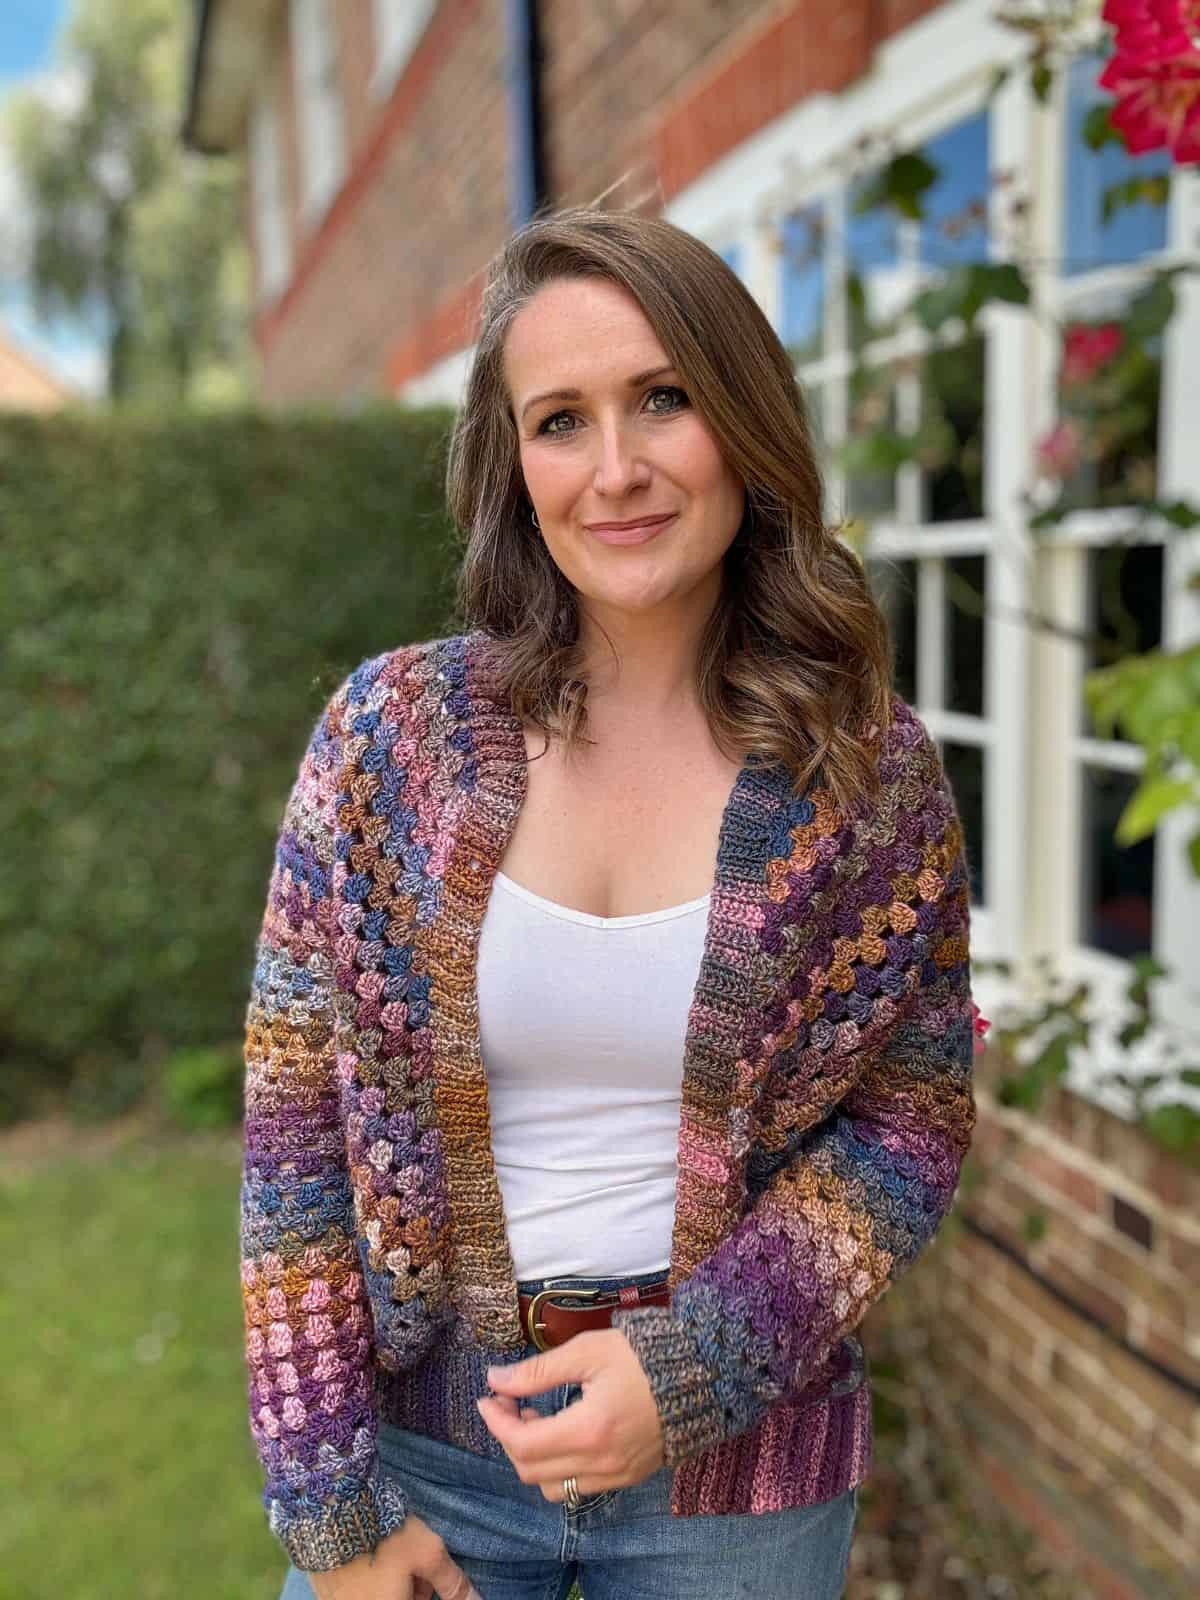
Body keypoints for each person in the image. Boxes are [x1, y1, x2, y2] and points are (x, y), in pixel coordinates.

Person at [241, 203, 978, 1600]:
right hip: (430, 1467)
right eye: (561, 420)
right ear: (512, 463)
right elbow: (295, 1139)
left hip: (739, 1482)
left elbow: (912, 1116)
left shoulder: (864, 773)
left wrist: (693, 1369)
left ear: (742, 424)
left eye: (663, 400)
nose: (619, 469)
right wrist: (331, 1516)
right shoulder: (387, 741)